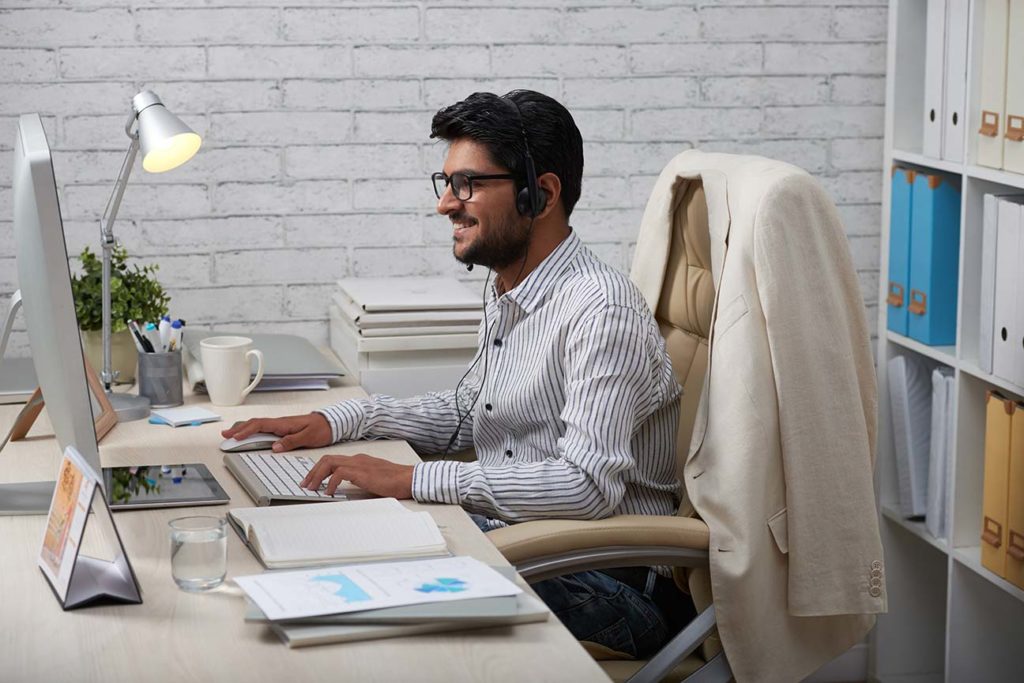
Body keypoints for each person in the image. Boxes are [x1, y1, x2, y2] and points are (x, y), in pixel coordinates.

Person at [224, 90, 692, 657]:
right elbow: (470, 414)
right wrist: (343, 418)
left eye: (466, 184)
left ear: (539, 194)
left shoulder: (601, 311)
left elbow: (587, 486)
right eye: (445, 183)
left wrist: (412, 480)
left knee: (374, 598)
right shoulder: (509, 289)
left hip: (608, 581)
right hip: (524, 542)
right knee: (338, 553)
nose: (447, 204)